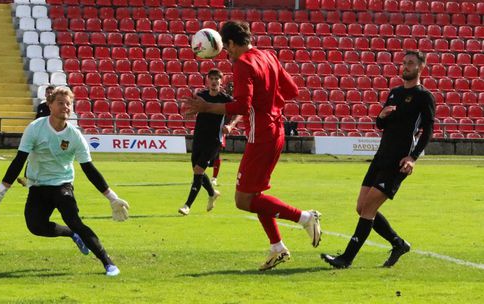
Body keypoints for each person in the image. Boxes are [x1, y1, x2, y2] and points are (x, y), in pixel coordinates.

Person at [183, 21, 322, 271]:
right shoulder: (269, 56)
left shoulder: (243, 64)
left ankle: (304, 217)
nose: (227, 53)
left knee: (243, 200)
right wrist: (268, 97)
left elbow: (241, 107)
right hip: (276, 130)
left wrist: (207, 107)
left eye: (227, 47)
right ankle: (277, 247)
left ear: (233, 43)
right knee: (255, 195)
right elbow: (292, 90)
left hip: (261, 136)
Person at [0, 87, 129, 276]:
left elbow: (89, 169)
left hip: (62, 185)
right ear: (49, 105)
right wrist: (1, 190)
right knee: (35, 226)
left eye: (68, 104)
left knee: (73, 220)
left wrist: (112, 198)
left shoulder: (75, 136)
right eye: (60, 103)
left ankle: (108, 263)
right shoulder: (35, 128)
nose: (65, 107)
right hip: (38, 185)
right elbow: (19, 160)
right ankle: (72, 234)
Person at [321, 51, 436, 269]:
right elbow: (382, 125)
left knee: (369, 207)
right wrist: (380, 117)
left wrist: (413, 157)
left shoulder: (424, 96)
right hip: (380, 156)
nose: (406, 66)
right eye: (404, 63)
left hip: (398, 161)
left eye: (411, 63)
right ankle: (398, 243)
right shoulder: (395, 93)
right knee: (361, 207)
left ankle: (346, 258)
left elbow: (428, 129)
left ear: (421, 68)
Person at [178, 68, 234, 215]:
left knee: (198, 171)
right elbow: (192, 109)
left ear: (221, 81)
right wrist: (190, 112)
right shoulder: (201, 95)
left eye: (217, 79)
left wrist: (230, 125)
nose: (214, 81)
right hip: (199, 137)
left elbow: (239, 112)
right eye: (212, 79)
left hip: (214, 140)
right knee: (197, 171)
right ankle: (212, 193)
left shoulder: (225, 99)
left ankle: (187, 205)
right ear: (208, 80)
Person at [17, 85, 56, 186]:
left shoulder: (57, 107)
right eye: (48, 92)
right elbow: (36, 121)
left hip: (53, 136)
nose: (50, 94)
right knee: (32, 156)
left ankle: (51, 178)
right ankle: (26, 178)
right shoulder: (41, 107)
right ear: (45, 94)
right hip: (40, 136)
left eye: (52, 92)